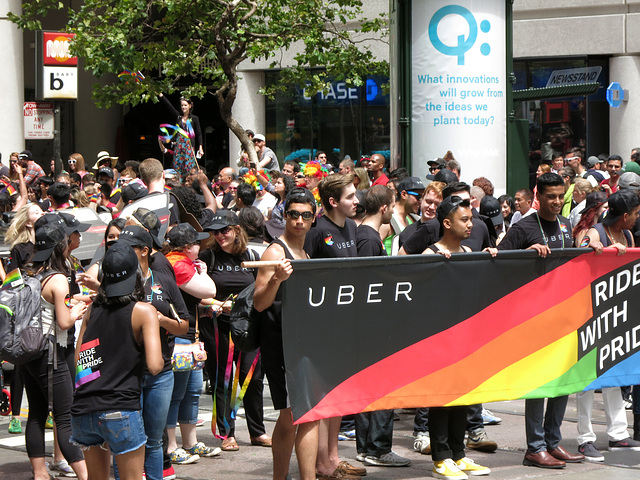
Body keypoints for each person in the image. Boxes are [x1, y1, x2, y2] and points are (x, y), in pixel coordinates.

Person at [498, 172, 585, 469]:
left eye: (561, 196)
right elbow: (497, 265)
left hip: (564, 314)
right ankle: (534, 447)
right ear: (539, 197)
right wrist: (525, 253)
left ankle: (553, 442)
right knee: (539, 383)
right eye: (551, 197)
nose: (557, 202)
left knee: (563, 380)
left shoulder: (565, 223)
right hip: (532, 318)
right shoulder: (523, 227)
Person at [71, 243, 163, 480]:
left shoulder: (93, 310)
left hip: (84, 409)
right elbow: (154, 366)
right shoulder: (144, 311)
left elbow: (80, 360)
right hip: (121, 408)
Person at [424, 195, 494, 479]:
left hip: (466, 337)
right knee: (442, 398)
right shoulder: (431, 254)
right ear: (446, 223)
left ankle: (458, 454)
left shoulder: (468, 249)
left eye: (471, 219)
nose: (471, 224)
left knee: (461, 396)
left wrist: (490, 260)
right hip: (439, 338)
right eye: (464, 220)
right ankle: (441, 458)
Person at [253, 188, 320, 480]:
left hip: (303, 341)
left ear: (313, 218)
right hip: (280, 343)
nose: (299, 221)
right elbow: (259, 302)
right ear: (284, 215)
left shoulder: (305, 251)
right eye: (293, 214)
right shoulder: (275, 251)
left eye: (306, 215)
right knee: (291, 413)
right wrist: (277, 280)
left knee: (307, 414)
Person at [116, 226, 190, 480]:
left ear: (145, 251)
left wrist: (161, 320)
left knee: (154, 440)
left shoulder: (164, 280)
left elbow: (184, 324)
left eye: (129, 248)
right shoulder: (117, 282)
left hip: (161, 373)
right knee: (127, 441)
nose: (121, 252)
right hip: (127, 373)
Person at [303, 175, 365, 479]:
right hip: (323, 325)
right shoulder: (316, 232)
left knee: (340, 392)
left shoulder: (352, 227)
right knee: (325, 394)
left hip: (347, 322)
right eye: (351, 196)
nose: (357, 201)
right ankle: (322, 463)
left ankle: (333, 456)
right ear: (332, 202)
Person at [575, 190, 640, 462]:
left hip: (618, 316)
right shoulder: (596, 231)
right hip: (591, 315)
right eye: (636, 213)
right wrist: (594, 247)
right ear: (624, 216)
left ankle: (618, 434)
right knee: (587, 380)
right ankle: (585, 439)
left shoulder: (627, 236)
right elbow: (581, 250)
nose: (638, 218)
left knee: (616, 374)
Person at [199, 209, 271, 450]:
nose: (220, 236)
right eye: (215, 232)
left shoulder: (250, 255)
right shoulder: (207, 257)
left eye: (224, 230)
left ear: (236, 230)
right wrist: (219, 305)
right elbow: (197, 294)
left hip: (247, 326)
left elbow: (258, 290)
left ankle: (257, 431)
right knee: (223, 379)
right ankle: (226, 433)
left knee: (253, 378)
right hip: (218, 325)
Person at [22, 221, 88, 480]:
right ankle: (86, 475)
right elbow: (63, 322)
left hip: (29, 351)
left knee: (37, 413)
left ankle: (39, 473)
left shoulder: (30, 272)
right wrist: (76, 312)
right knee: (64, 416)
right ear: (60, 246)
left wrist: (75, 301)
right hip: (52, 354)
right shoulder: (58, 278)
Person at [353, 185, 411, 468]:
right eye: (392, 205)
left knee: (371, 387)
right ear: (384, 208)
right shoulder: (369, 239)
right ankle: (376, 447)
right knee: (381, 387)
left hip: (368, 325)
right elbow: (369, 286)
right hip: (374, 325)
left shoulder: (366, 235)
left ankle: (369, 447)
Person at [163, 223, 220, 464]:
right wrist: (203, 272)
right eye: (197, 243)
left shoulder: (179, 262)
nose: (201, 246)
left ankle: (190, 442)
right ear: (188, 247)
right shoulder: (178, 263)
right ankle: (171, 446)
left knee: (192, 391)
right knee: (177, 393)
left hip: (190, 337)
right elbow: (209, 289)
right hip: (179, 338)